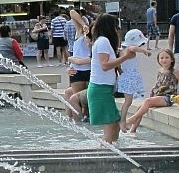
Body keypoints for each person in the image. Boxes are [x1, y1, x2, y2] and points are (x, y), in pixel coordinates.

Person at [87, 13, 145, 143]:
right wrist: (125, 58)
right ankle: (105, 155)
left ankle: (112, 152)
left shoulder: (104, 42)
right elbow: (105, 65)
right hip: (100, 89)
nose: (118, 30)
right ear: (109, 27)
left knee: (114, 126)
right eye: (116, 27)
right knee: (110, 127)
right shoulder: (103, 41)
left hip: (104, 89)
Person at [125, 49, 179, 133]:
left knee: (147, 101)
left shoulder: (174, 71)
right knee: (140, 107)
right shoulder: (160, 71)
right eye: (161, 58)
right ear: (158, 60)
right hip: (159, 95)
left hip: (168, 97)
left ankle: (132, 118)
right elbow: (158, 85)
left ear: (172, 60)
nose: (164, 60)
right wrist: (153, 94)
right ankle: (133, 130)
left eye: (167, 58)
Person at [116, 29, 151, 132]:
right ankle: (122, 121)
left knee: (130, 100)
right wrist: (144, 51)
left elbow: (118, 65)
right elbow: (133, 48)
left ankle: (127, 121)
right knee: (128, 101)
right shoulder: (128, 49)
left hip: (128, 77)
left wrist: (120, 70)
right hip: (129, 78)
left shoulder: (122, 51)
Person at [64, 9, 91, 120]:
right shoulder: (79, 32)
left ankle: (82, 121)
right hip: (77, 70)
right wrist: (83, 24)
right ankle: (72, 120)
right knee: (75, 97)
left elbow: (93, 57)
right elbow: (72, 12)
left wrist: (74, 60)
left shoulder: (92, 38)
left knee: (83, 101)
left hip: (87, 70)